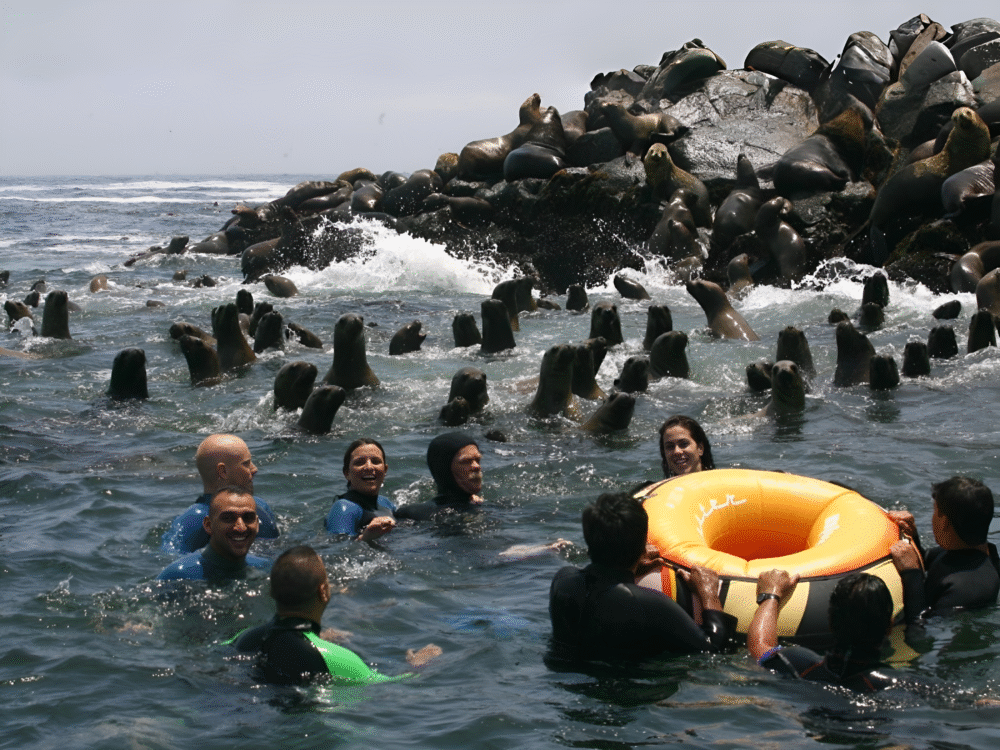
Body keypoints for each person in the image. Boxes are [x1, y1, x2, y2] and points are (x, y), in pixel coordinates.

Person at [548, 491, 736, 661]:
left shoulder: (563, 582)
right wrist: (708, 593)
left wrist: (634, 562)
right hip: (629, 690)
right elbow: (712, 649)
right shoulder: (647, 604)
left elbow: (602, 583)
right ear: (642, 546)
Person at [226, 545, 440, 685]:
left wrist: (315, 641)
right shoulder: (338, 658)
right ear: (323, 592)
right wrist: (417, 666)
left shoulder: (244, 638)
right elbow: (393, 684)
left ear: (271, 591)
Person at [749, 569, 917, 692]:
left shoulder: (796, 664)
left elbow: (759, 645)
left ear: (830, 622)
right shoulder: (904, 685)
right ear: (889, 627)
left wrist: (771, 594)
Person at [888, 476, 999, 622]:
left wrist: (911, 574)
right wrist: (912, 534)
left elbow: (919, 626)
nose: (932, 519)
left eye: (935, 512)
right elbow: (924, 559)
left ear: (945, 522)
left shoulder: (966, 589)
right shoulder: (960, 552)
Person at [161, 434, 280, 554]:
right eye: (246, 464)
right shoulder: (194, 521)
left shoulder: (261, 506)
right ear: (222, 471)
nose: (254, 469)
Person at [157, 487, 270, 581]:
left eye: (248, 518)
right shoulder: (177, 576)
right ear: (208, 525)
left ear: (257, 524)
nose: (241, 527)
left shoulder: (267, 568)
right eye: (228, 518)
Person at [395, 432, 483, 521]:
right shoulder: (414, 515)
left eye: (478, 460)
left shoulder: (487, 506)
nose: (477, 466)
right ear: (444, 468)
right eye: (466, 461)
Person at [325, 438, 397, 543]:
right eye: (359, 462)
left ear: (385, 470)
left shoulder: (386, 503)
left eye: (376, 461)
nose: (369, 467)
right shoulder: (344, 508)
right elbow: (338, 548)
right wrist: (365, 537)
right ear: (347, 473)